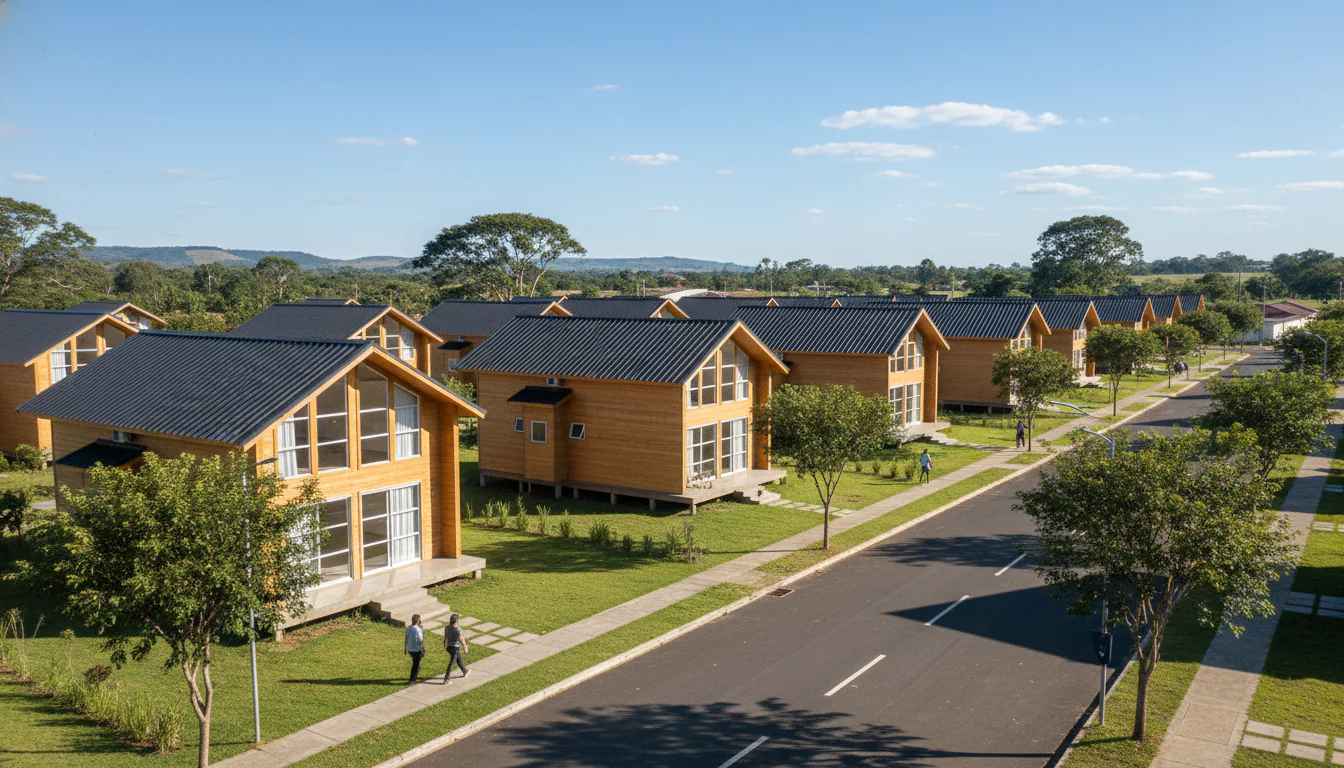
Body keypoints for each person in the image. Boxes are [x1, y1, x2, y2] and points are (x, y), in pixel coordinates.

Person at [442, 613, 471, 683]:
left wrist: (445, 644)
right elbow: (461, 638)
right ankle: (446, 678)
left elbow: (446, 636)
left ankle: (465, 671)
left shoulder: (447, 627)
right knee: (452, 662)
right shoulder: (457, 629)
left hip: (449, 647)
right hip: (455, 648)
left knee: (458, 659)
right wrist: (465, 645)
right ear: (457, 620)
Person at [405, 614, 425, 684]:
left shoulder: (408, 628)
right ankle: (412, 679)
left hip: (410, 649)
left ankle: (418, 668)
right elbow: (420, 639)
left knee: (415, 660)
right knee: (415, 664)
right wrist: (423, 647)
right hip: (417, 649)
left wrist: (405, 648)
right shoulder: (418, 629)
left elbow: (406, 638)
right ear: (418, 621)